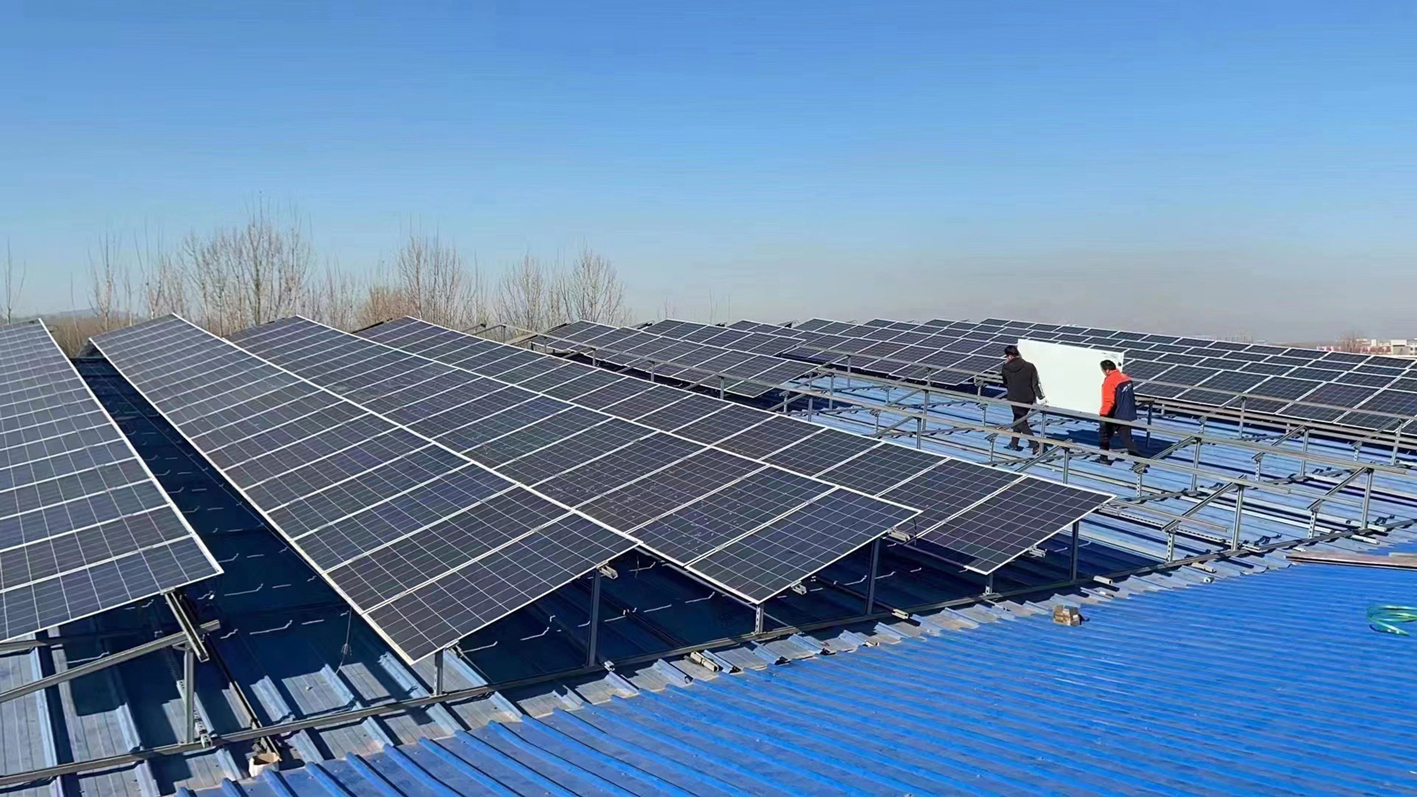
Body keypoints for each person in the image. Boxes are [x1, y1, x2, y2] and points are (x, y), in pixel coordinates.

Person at [1000, 345, 1045, 453]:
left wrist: (1005, 366)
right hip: (1028, 397)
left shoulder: (1005, 368)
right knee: (1018, 419)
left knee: (1021, 421)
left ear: (1009, 356)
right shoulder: (1030, 366)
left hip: (1014, 398)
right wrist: (1040, 397)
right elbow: (1035, 383)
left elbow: (1005, 382)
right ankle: (1013, 443)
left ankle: (1035, 445)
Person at [1098, 359, 1141, 464]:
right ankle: (1139, 461)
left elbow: (1109, 401)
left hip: (1115, 414)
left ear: (1107, 370)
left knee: (1104, 436)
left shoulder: (1110, 381)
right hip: (1127, 413)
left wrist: (1103, 415)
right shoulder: (1125, 377)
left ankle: (1103, 458)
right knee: (1127, 438)